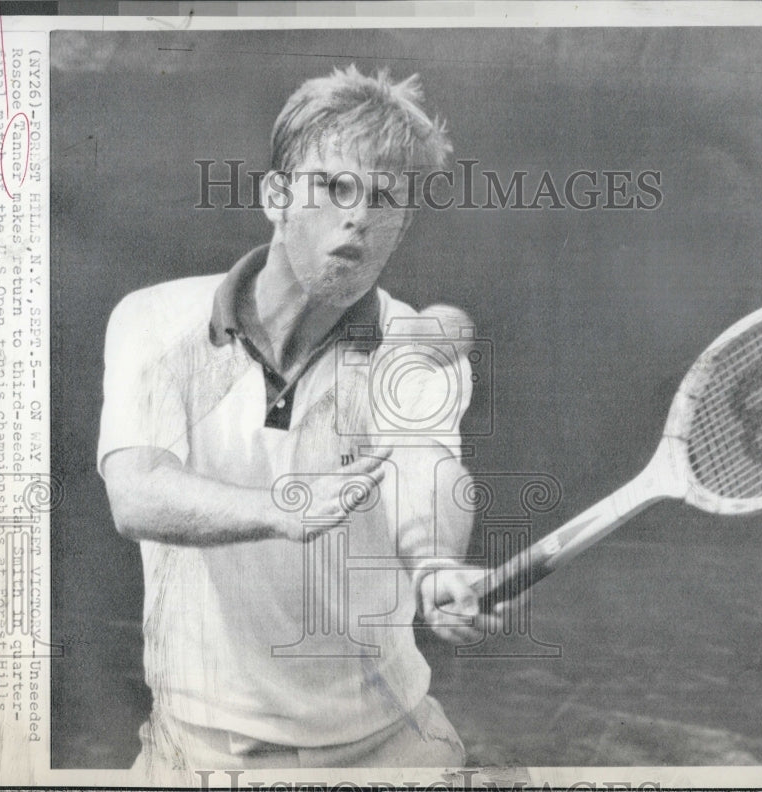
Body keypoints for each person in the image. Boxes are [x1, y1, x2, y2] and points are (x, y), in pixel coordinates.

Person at [97, 65, 506, 781]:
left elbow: (426, 473)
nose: (359, 217)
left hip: (385, 747)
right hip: (190, 751)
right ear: (276, 197)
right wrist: (280, 509)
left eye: (385, 199)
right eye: (333, 187)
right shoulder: (154, 321)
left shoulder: (414, 350)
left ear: (402, 224)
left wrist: (437, 563)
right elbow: (135, 491)